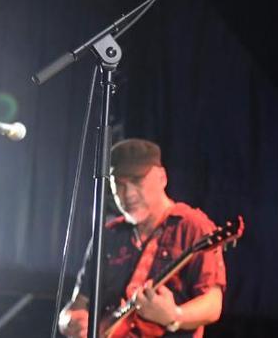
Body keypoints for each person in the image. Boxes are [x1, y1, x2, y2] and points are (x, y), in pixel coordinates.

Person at [59, 138, 226, 338]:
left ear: (162, 178)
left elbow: (213, 304)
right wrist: (68, 321)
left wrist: (175, 315)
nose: (128, 194)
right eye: (118, 184)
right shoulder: (108, 235)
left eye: (137, 181)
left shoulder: (192, 226)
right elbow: (79, 302)